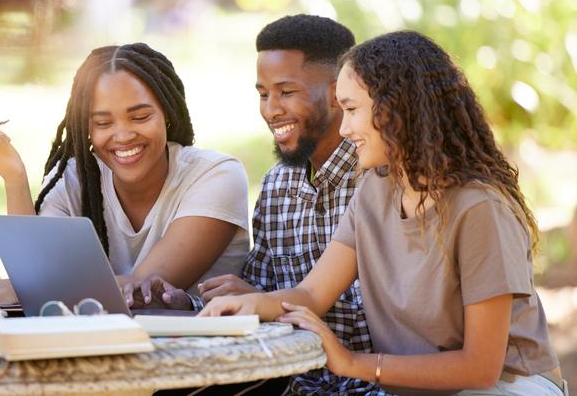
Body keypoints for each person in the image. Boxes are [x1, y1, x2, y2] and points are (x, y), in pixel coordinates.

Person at [200, 31, 567, 396]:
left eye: (352, 109)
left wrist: (353, 363)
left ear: (396, 109)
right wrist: (248, 305)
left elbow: (480, 368)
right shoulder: (373, 191)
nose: (344, 128)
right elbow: (312, 294)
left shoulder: (480, 208)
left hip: (508, 387)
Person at [155, 15, 385, 395]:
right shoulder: (278, 185)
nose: (270, 109)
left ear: (337, 92)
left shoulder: (378, 179)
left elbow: (369, 317)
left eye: (286, 91)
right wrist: (187, 304)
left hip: (368, 382)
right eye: (263, 94)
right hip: (292, 380)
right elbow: (259, 294)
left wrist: (270, 304)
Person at [0, 43, 250, 311]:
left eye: (140, 117)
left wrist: (24, 289)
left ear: (167, 113)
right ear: (85, 129)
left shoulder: (215, 175)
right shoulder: (75, 179)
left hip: (206, 363)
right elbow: (35, 271)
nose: (123, 135)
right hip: (109, 357)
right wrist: (13, 176)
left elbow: (143, 288)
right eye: (102, 123)